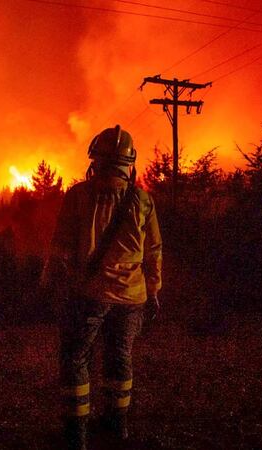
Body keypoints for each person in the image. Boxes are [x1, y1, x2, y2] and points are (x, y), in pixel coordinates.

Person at [43, 125, 162, 450]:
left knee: (76, 358)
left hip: (90, 295)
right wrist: (153, 290)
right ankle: (116, 427)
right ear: (129, 164)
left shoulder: (78, 196)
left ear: (95, 160)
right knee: (119, 357)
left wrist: (52, 282)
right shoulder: (143, 201)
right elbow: (154, 251)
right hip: (132, 298)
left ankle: (76, 435)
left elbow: (61, 247)